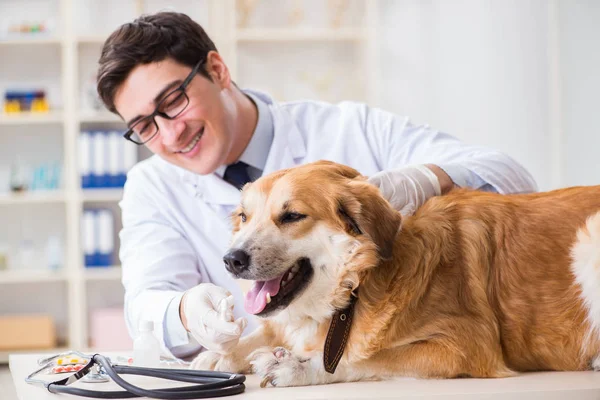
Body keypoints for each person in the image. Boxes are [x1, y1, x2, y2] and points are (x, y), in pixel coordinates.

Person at [96, 11, 537, 360]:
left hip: (387, 370)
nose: (170, 134)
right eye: (144, 126)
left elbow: (511, 178)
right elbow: (146, 309)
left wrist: (420, 180)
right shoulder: (151, 185)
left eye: (173, 101)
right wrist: (185, 313)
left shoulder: (350, 127)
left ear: (217, 69)